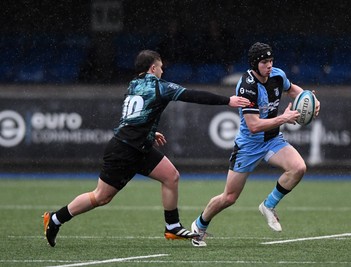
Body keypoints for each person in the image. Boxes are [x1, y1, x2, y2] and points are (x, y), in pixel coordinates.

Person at [43, 49, 250, 247]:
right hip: (124, 150)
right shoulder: (160, 86)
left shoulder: (133, 84)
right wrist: (227, 100)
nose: (162, 71)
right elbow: (192, 95)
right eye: (160, 67)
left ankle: (172, 226)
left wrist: (150, 132)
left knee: (171, 176)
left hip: (138, 145)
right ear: (152, 68)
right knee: (101, 197)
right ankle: (55, 218)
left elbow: (134, 115)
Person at [190, 42, 321, 247]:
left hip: (272, 140)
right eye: (264, 62)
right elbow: (254, 126)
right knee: (230, 197)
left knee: (298, 168)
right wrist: (284, 118)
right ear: (254, 64)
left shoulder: (278, 75)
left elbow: (295, 91)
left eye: (270, 61)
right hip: (248, 146)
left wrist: (311, 100)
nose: (269, 65)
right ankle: (199, 225)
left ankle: (268, 206)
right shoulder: (247, 87)